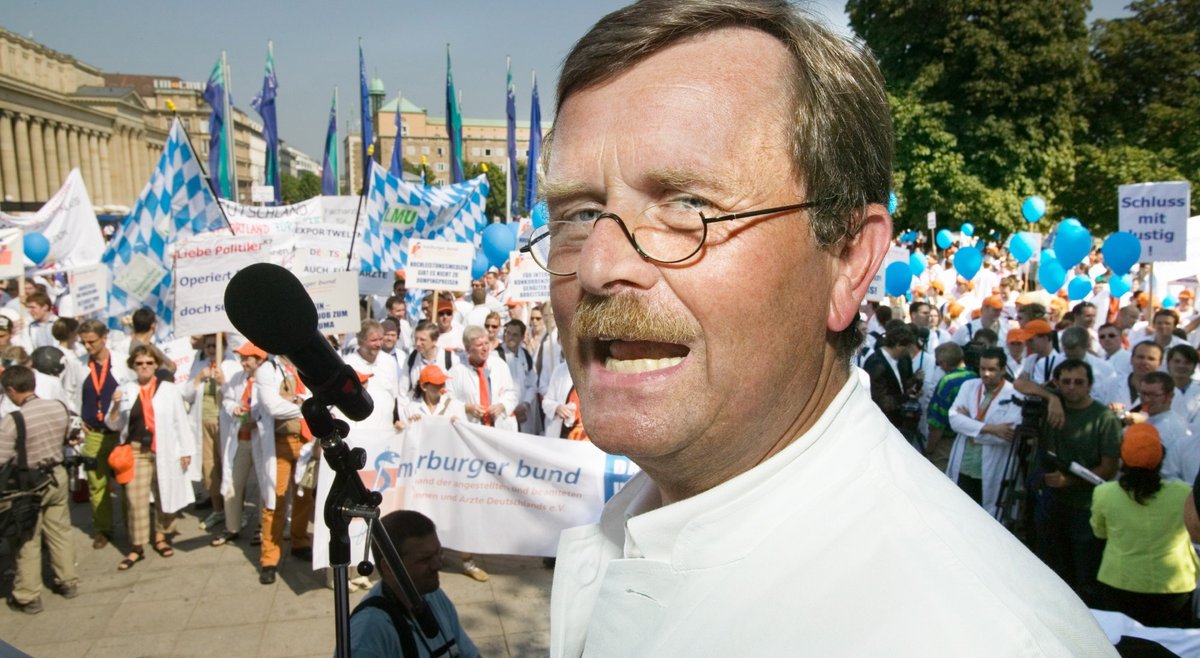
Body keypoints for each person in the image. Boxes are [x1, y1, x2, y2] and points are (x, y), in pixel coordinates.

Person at [536, 1, 1114, 655]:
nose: (598, 264)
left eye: (689, 205)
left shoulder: (973, 636)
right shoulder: (645, 517)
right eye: (579, 212)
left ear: (848, 260)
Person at [1032, 358, 1122, 607]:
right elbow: (1020, 383)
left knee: (1084, 578)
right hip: (1053, 505)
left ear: (1089, 385)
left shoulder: (1103, 418)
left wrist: (1068, 481)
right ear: (1056, 384)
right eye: (1066, 382)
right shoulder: (1054, 404)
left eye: (1078, 382)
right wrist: (1050, 398)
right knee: (1052, 572)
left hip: (1087, 510)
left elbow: (1109, 468)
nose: (1072, 387)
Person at [1091, 424, 1198, 627]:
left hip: (1120, 581)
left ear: (1123, 457)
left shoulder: (1104, 493)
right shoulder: (1183, 492)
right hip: (1174, 585)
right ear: (1160, 456)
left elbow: (1099, 532)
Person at [104, 345, 196, 570]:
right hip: (136, 451)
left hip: (164, 449)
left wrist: (185, 450)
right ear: (133, 366)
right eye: (139, 363)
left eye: (148, 363)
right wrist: (115, 404)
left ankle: (162, 535)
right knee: (136, 500)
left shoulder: (169, 390)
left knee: (165, 493)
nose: (144, 367)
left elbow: (180, 421)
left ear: (156, 365)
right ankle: (137, 546)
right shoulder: (125, 389)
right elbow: (113, 423)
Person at [0, 365, 78, 613]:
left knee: (27, 539)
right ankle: (68, 581)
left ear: (12, 390)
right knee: (60, 530)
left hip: (28, 485)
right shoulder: (59, 407)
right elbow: (68, 435)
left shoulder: (14, 420)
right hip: (57, 473)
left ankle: (28, 595)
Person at [348, 511, 479, 658]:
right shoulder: (369, 633)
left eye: (439, 553)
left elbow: (468, 653)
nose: (437, 565)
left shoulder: (433, 595)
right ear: (388, 567)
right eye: (425, 559)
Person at [76, 318, 132, 550]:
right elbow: (69, 392)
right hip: (93, 433)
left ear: (104, 338)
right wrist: (77, 420)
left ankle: (132, 527)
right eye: (84, 343)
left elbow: (132, 390)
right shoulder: (77, 364)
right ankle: (103, 529)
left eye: (92, 342)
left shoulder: (121, 362)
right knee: (96, 483)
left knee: (126, 482)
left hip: (120, 433)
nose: (88, 347)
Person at [946, 347, 1021, 516]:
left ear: (1002, 370)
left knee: (988, 520)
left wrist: (970, 427)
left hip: (991, 468)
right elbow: (954, 420)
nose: (986, 374)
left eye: (992, 369)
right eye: (982, 368)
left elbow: (1007, 436)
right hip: (964, 466)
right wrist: (991, 428)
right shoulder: (969, 386)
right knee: (960, 515)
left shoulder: (1014, 395)